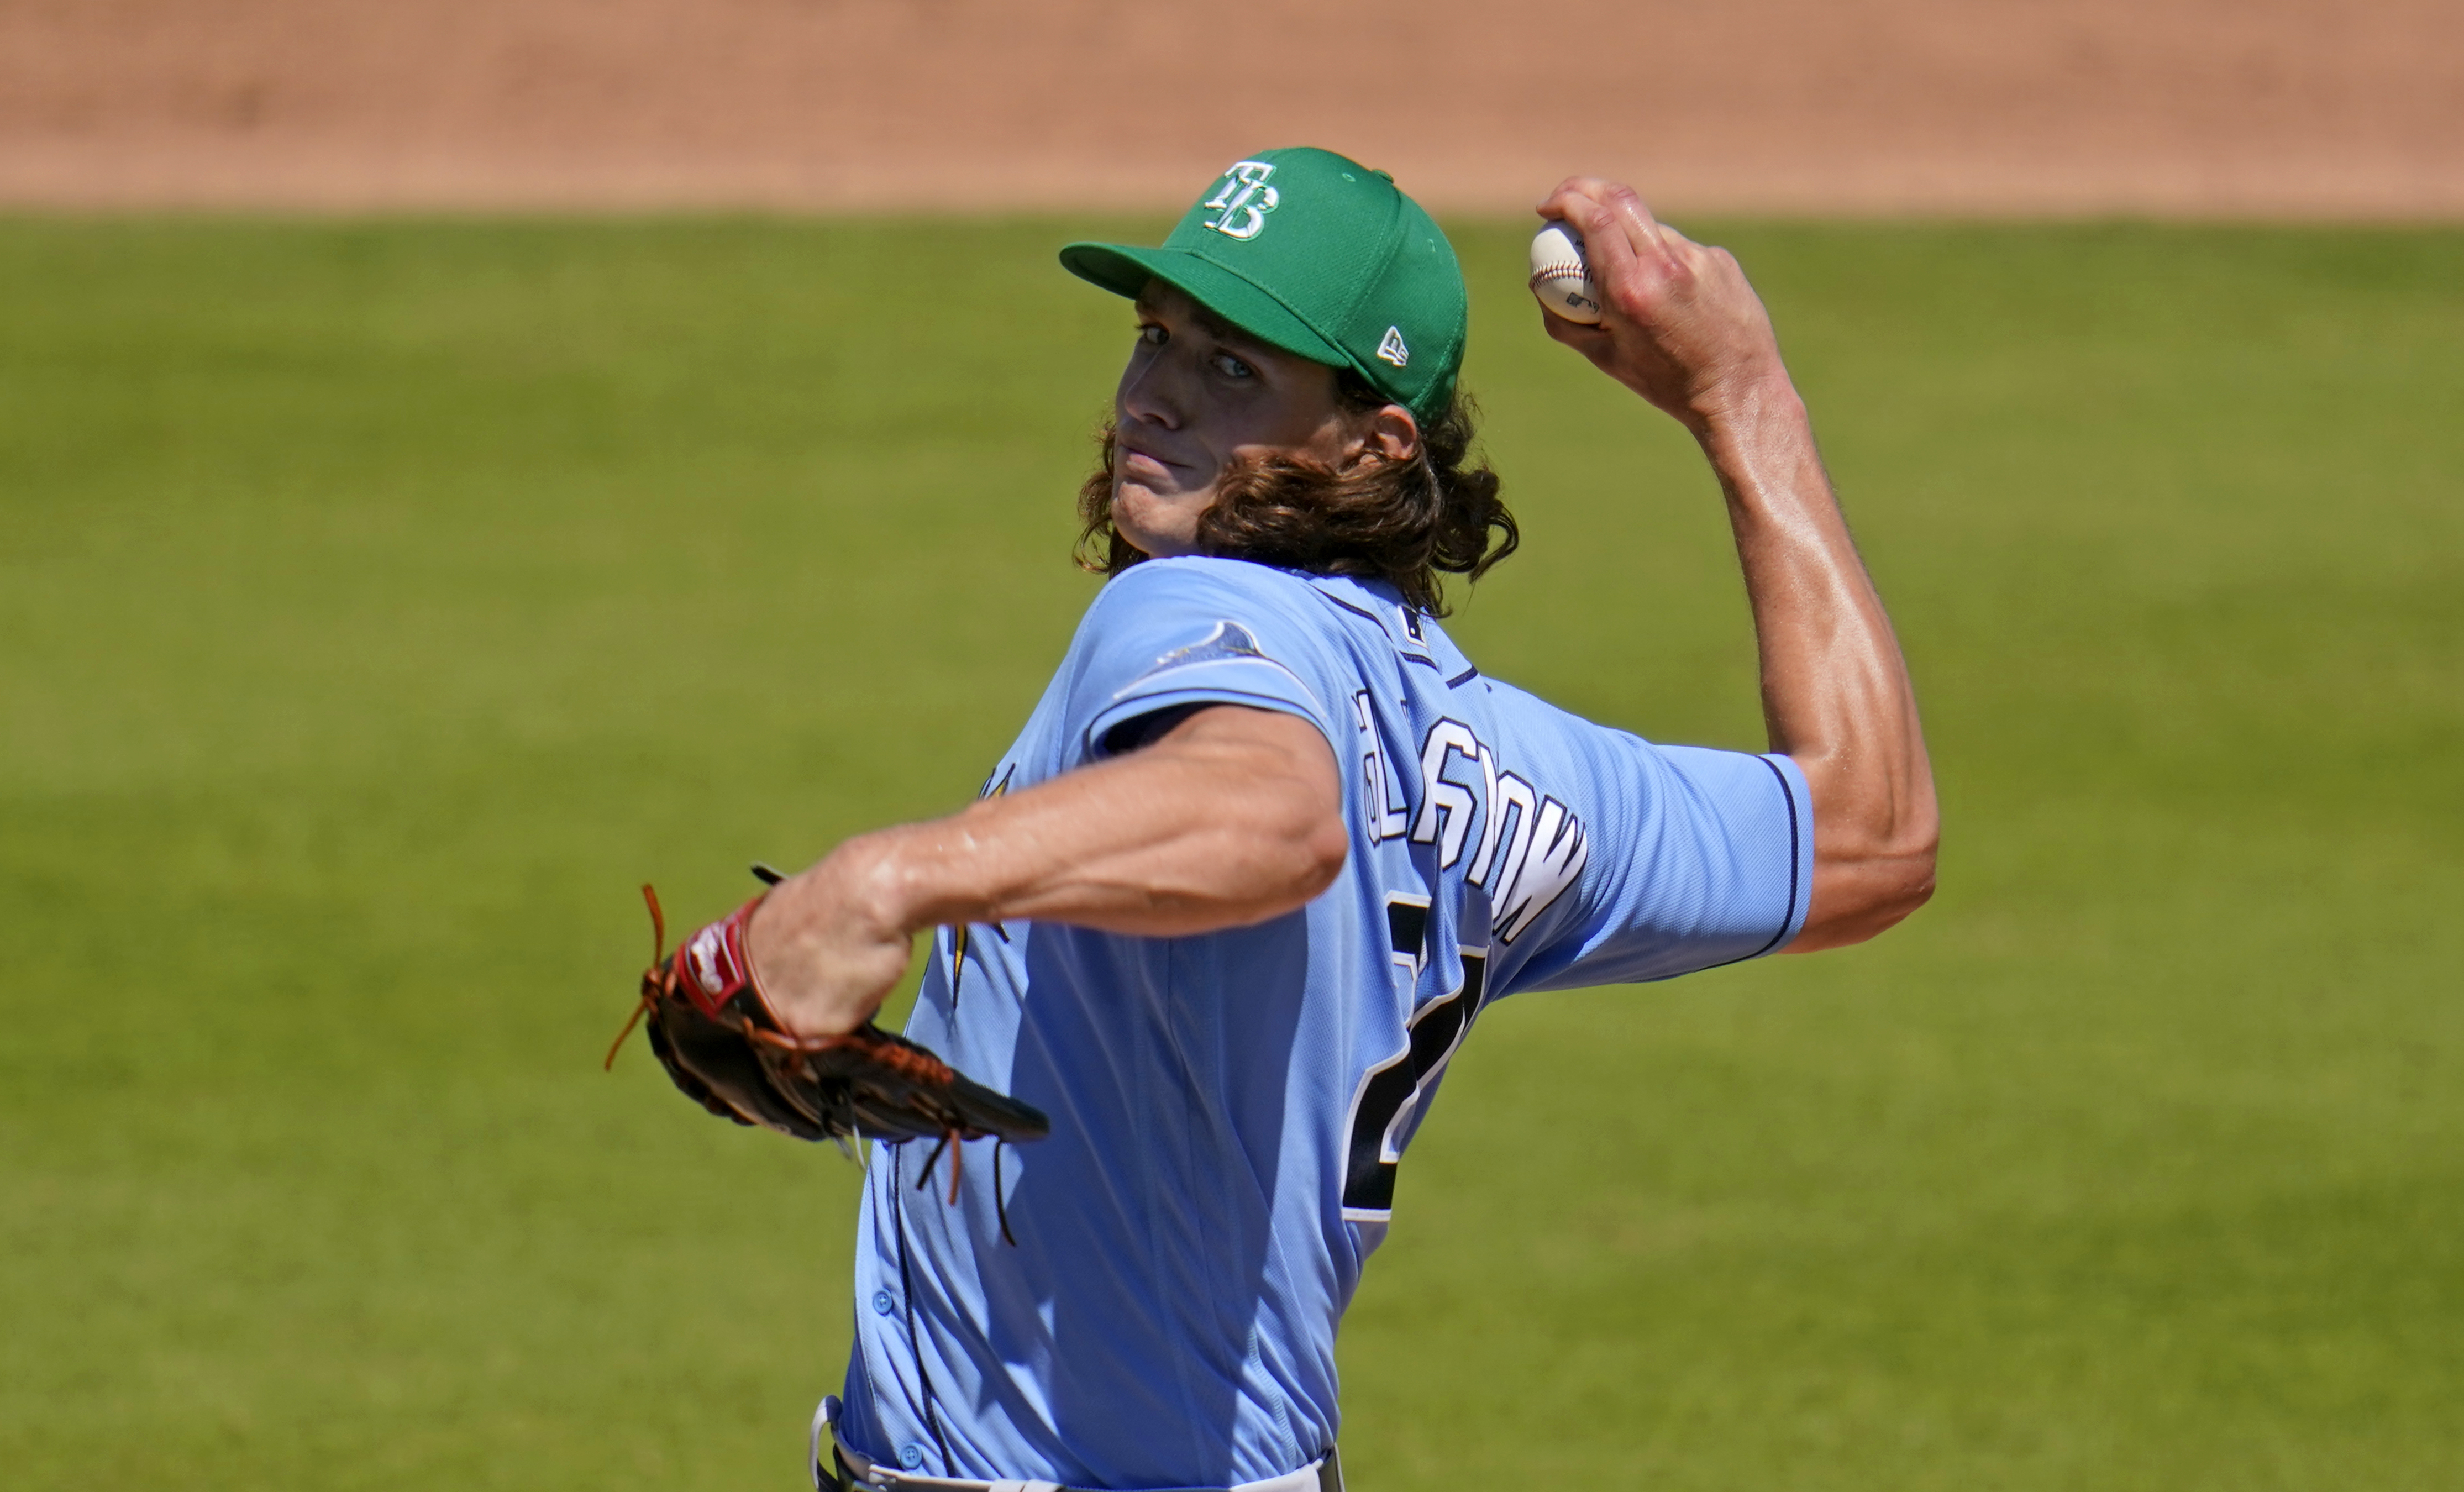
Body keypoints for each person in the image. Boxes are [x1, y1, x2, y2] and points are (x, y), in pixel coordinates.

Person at [744, 147, 1938, 1492]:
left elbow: (1272, 814)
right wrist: (1741, 396)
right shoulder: (1495, 756)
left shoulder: (1195, 607)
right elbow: (1868, 839)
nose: (1153, 396)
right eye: (1158, 336)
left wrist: (885, 881)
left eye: (1234, 369)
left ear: (1369, 448)